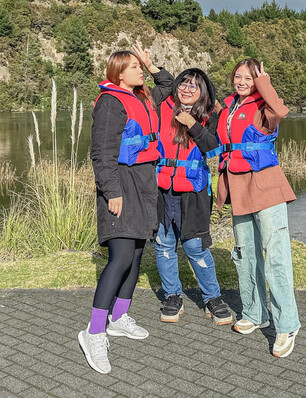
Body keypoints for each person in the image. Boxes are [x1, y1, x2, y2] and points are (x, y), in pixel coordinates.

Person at [79, 44, 172, 375]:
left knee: (135, 256)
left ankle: (119, 318)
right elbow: (101, 153)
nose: (138, 71)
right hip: (121, 184)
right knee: (119, 258)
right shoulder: (110, 103)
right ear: (117, 72)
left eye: (138, 67)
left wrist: (151, 65)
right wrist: (111, 191)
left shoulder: (143, 98)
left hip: (144, 184)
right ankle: (93, 332)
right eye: (133, 66)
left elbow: (168, 86)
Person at [216, 58, 300, 358]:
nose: (241, 82)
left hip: (266, 189)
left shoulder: (264, 108)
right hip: (238, 189)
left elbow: (280, 110)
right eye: (238, 76)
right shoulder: (227, 108)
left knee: (275, 258)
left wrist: (264, 83)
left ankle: (287, 325)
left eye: (249, 78)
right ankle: (255, 313)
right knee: (245, 255)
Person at [154, 68, 233, 325]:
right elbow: (162, 83)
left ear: (203, 92)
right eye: (183, 84)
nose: (187, 90)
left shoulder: (211, 116)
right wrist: (152, 67)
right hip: (163, 189)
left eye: (194, 86)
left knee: (195, 247)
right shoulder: (162, 108)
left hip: (194, 192)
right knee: (165, 245)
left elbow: (214, 151)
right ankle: (172, 296)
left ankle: (212, 298)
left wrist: (193, 126)